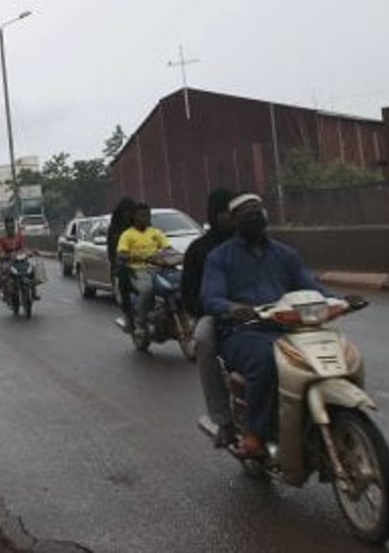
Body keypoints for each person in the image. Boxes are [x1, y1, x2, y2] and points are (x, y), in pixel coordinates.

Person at [201, 193, 365, 458]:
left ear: (265, 215)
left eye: (257, 210)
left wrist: (339, 300)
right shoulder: (219, 258)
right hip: (244, 330)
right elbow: (211, 298)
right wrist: (233, 308)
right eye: (246, 212)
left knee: (336, 352)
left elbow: (310, 286)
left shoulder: (285, 254)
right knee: (267, 361)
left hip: (290, 326)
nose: (254, 215)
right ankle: (255, 434)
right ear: (233, 220)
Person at [180, 187, 236, 446]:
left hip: (263, 313)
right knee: (203, 340)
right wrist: (214, 310)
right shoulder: (200, 249)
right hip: (216, 315)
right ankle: (222, 419)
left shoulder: (257, 243)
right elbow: (189, 294)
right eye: (226, 212)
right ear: (215, 214)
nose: (231, 217)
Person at [115, 202, 171, 339]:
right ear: (134, 217)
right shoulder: (127, 234)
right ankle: (140, 323)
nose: (146, 218)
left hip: (158, 269)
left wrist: (171, 255)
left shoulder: (155, 232)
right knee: (147, 290)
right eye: (142, 215)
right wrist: (137, 256)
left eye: (148, 215)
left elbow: (168, 248)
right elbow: (121, 253)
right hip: (138, 271)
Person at [105, 197, 138, 330]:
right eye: (126, 212)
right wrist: (117, 263)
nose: (128, 214)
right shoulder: (115, 228)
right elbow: (112, 249)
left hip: (145, 262)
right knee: (124, 283)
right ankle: (129, 317)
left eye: (131, 211)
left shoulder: (141, 225)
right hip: (124, 264)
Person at [0, 216, 39, 299]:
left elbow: (24, 247)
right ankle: (4, 292)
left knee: (31, 271)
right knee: (4, 274)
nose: (11, 229)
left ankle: (34, 293)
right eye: (9, 227)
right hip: (8, 261)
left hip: (20, 260)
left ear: (14, 227)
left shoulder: (19, 237)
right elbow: (0, 250)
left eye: (12, 227)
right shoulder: (2, 239)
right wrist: (3, 255)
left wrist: (30, 252)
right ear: (6, 228)